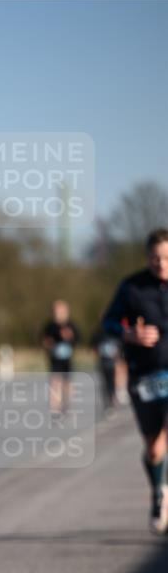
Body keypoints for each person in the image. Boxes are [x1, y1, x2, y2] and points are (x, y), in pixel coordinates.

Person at [102, 229, 168, 534]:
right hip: (145, 376)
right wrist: (129, 334)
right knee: (154, 448)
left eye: (166, 258)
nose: (161, 263)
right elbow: (108, 322)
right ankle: (159, 492)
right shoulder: (132, 287)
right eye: (156, 258)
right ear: (147, 258)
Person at [41, 300, 81, 414]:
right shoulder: (50, 326)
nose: (60, 314)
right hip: (54, 359)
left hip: (67, 360)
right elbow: (44, 340)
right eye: (57, 311)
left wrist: (70, 337)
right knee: (55, 382)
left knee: (67, 383)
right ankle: (55, 407)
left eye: (62, 311)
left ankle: (66, 405)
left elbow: (77, 339)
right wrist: (50, 343)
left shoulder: (71, 325)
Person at [90, 327, 121, 413]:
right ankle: (106, 402)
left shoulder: (114, 332)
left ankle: (113, 399)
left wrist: (118, 357)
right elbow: (93, 346)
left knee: (112, 382)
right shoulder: (98, 334)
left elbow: (119, 346)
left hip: (112, 363)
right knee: (104, 383)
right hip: (102, 362)